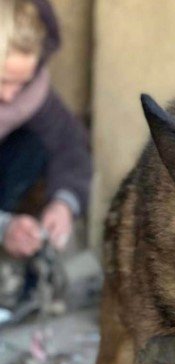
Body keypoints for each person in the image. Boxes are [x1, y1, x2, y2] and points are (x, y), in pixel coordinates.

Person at [0, 0, 92, 313]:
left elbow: (69, 145)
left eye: (21, 83)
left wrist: (64, 203)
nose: (10, 96)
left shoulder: (30, 93)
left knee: (34, 142)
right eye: (2, 81)